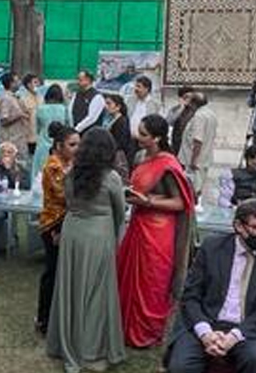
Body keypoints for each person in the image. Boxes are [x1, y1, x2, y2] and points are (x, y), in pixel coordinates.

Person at [164, 199, 256, 373]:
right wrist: (205, 333)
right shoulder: (211, 248)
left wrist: (234, 336)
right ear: (239, 226)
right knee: (180, 367)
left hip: (246, 328)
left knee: (254, 360)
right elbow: (191, 295)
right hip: (205, 320)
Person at [46, 129, 131, 370]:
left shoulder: (72, 174)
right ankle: (90, 348)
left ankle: (67, 341)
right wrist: (114, 235)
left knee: (71, 288)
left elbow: (69, 203)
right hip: (98, 234)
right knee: (96, 292)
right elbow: (120, 210)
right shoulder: (111, 177)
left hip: (73, 232)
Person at [118, 114, 197, 348]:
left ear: (157, 138)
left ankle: (148, 331)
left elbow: (181, 203)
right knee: (132, 278)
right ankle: (126, 327)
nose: (138, 136)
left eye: (143, 134)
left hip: (159, 231)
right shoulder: (141, 157)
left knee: (153, 281)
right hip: (138, 224)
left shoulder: (169, 165)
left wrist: (148, 202)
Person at [36, 125, 79, 335]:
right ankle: (44, 319)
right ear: (59, 146)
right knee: (52, 272)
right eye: (72, 145)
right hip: (54, 223)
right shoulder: (53, 166)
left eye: (79, 144)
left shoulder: (71, 163)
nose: (77, 148)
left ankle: (60, 316)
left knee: (65, 272)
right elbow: (65, 195)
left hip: (68, 221)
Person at [177, 90, 217, 193]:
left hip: (195, 160)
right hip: (205, 158)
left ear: (194, 104)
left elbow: (198, 140)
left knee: (192, 189)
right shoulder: (211, 114)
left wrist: (193, 160)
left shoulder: (199, 116)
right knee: (198, 187)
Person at [33, 85, 71, 178]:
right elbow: (70, 127)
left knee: (40, 174)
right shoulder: (65, 109)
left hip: (42, 145)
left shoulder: (40, 109)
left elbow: (37, 128)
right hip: (60, 146)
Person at [0, 74, 35, 162]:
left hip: (20, 140)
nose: (19, 83)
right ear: (11, 83)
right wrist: (19, 115)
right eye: (17, 81)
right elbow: (3, 120)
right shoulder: (6, 98)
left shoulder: (16, 97)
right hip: (10, 142)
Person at [103, 94, 135, 169]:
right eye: (106, 103)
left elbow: (120, 142)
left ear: (118, 107)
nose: (106, 106)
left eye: (109, 104)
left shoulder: (122, 121)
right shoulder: (109, 119)